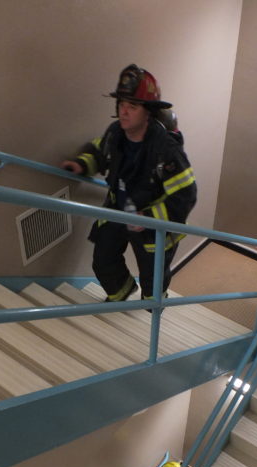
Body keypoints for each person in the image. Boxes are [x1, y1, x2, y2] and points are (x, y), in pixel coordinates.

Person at [61, 64, 197, 304]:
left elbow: (186, 195)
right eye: (121, 104)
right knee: (103, 258)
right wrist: (82, 164)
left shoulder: (167, 150)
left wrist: (149, 217)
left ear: (148, 113)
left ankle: (152, 306)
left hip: (152, 223)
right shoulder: (115, 133)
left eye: (132, 106)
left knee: (153, 278)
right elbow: (100, 150)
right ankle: (120, 294)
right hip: (120, 209)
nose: (124, 112)